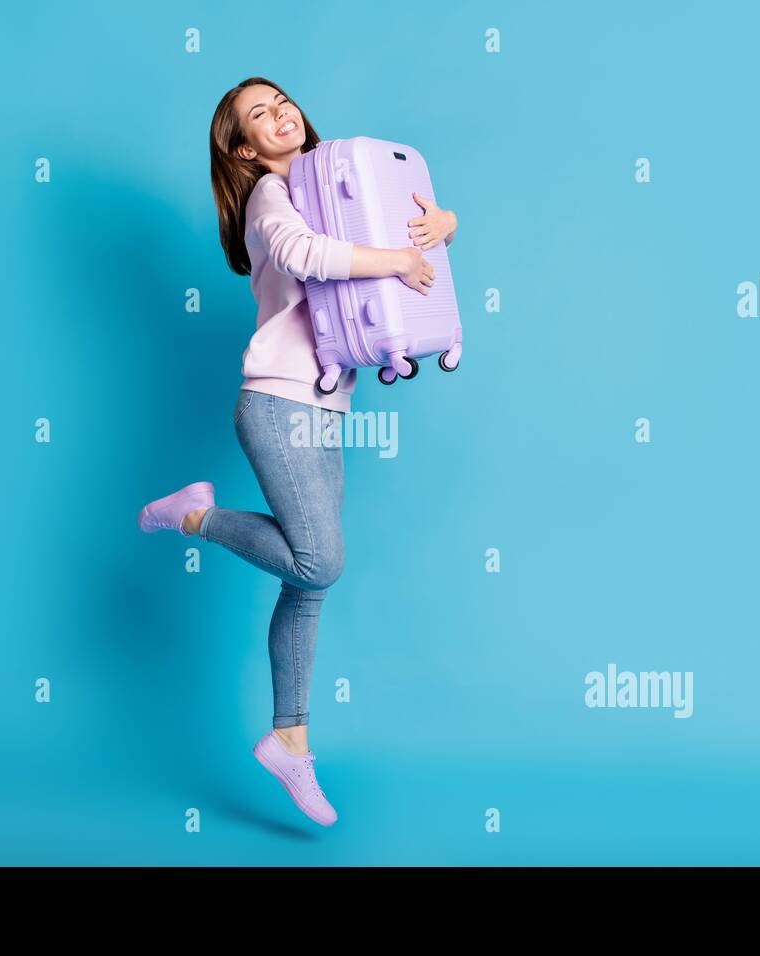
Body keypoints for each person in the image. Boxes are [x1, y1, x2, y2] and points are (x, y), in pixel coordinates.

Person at [138, 77, 458, 827]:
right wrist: (391, 261)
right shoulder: (270, 198)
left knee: (306, 584)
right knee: (321, 559)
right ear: (246, 149)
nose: (280, 113)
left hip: (325, 406)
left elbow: (417, 236)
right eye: (258, 115)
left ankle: (290, 739)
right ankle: (196, 518)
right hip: (277, 401)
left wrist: (445, 223)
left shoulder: (337, 187)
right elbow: (302, 255)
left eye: (282, 100)